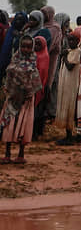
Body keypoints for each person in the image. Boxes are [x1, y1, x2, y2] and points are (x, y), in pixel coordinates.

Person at [0, 35, 42, 164]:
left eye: (29, 47)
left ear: (32, 48)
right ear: (19, 46)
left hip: (26, 100)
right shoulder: (15, 58)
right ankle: (7, 154)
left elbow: (35, 81)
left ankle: (21, 154)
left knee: (22, 125)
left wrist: (28, 93)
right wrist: (10, 90)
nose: (25, 49)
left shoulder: (33, 61)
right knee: (9, 125)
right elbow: (9, 74)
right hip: (13, 97)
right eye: (23, 46)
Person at [55, 32, 81, 145]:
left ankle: (70, 136)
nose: (71, 42)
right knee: (65, 106)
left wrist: (64, 56)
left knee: (70, 108)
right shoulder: (69, 51)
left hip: (71, 84)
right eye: (69, 40)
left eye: (73, 40)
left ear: (78, 41)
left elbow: (70, 66)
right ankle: (68, 135)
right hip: (65, 83)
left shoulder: (77, 52)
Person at [0, 12, 28, 83]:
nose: (18, 21)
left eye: (21, 20)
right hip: (6, 61)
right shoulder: (10, 31)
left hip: (19, 65)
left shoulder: (27, 32)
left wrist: (20, 34)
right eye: (17, 19)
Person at [32, 36, 50, 140]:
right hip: (29, 86)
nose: (37, 46)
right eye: (35, 44)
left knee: (37, 111)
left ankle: (35, 133)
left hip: (39, 87)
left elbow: (43, 73)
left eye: (39, 44)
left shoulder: (44, 56)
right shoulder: (31, 55)